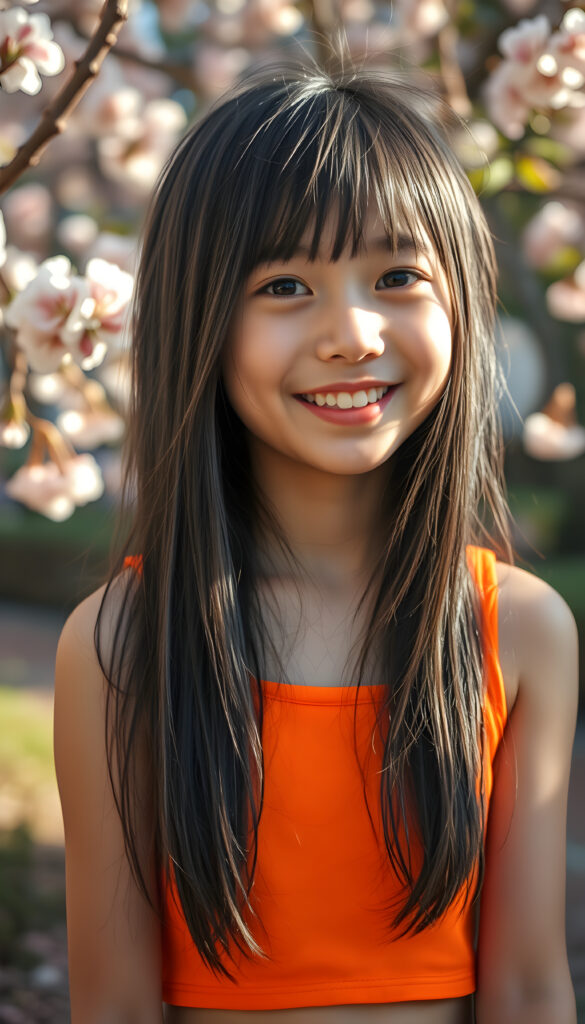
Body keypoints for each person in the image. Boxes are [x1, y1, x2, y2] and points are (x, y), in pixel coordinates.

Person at [53, 55, 579, 1024]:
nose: (352, 334)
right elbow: (118, 1005)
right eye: (286, 283)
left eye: (396, 275)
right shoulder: (124, 643)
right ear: (197, 320)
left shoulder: (519, 629)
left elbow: (531, 985)